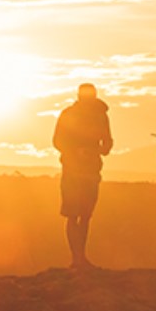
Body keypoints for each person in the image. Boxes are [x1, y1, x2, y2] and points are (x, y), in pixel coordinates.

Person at [53, 83, 113, 270]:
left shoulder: (101, 116)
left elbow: (108, 142)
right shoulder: (68, 114)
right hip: (72, 170)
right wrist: (77, 152)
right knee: (73, 214)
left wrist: (102, 149)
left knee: (85, 215)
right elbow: (57, 141)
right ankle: (77, 259)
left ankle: (81, 258)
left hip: (91, 171)